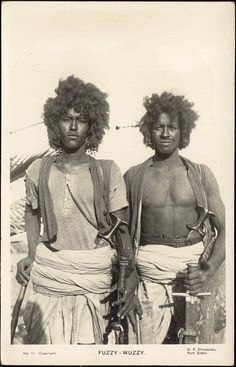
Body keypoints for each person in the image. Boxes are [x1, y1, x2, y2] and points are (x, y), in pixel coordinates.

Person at [15, 75, 138, 344]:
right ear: (54, 123)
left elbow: (123, 231)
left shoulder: (108, 170)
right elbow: (32, 213)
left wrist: (130, 279)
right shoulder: (38, 169)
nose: (72, 127)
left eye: (81, 120)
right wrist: (32, 254)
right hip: (51, 279)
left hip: (92, 281)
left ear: (92, 126)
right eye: (66, 119)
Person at [124, 92, 225, 344]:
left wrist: (206, 270)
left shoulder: (201, 175)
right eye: (159, 127)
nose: (166, 133)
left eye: (172, 127)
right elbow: (122, 235)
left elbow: (224, 231)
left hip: (194, 274)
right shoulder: (134, 177)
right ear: (149, 131)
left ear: (183, 131)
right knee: (144, 353)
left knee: (198, 349)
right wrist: (127, 278)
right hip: (149, 276)